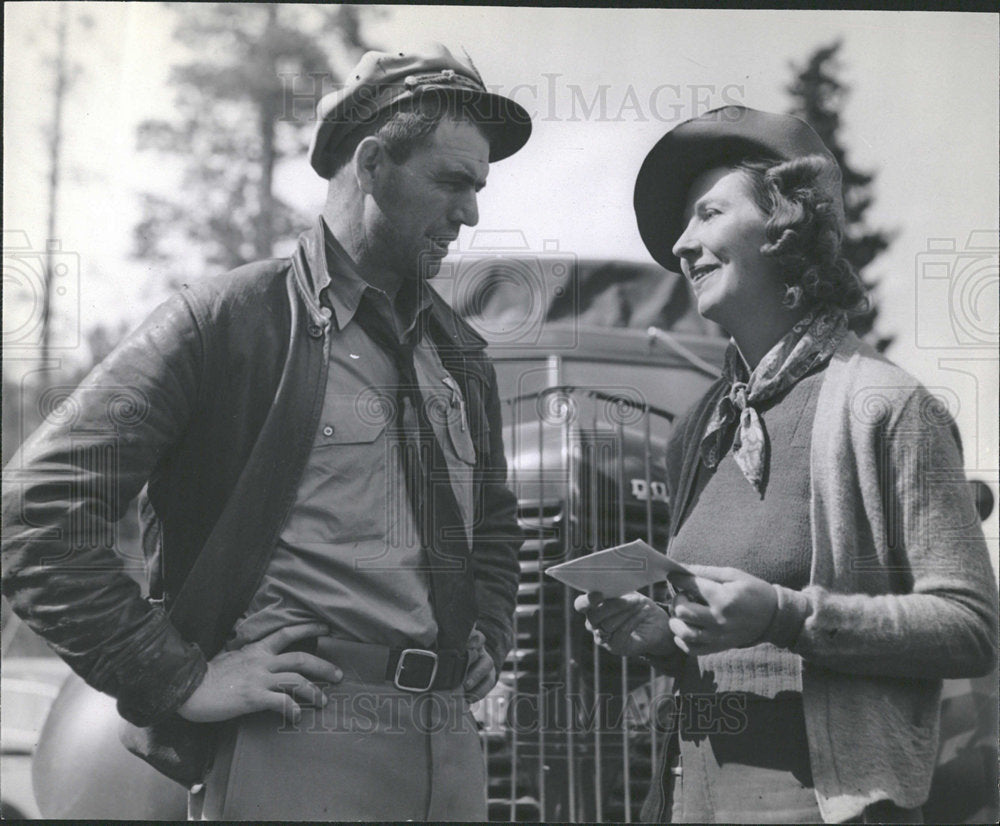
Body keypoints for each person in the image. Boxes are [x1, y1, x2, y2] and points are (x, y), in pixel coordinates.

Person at [2, 43, 529, 820]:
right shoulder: (229, 321)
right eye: (453, 182)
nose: (472, 212)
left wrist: (485, 626)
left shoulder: (460, 354)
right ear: (374, 163)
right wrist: (176, 678)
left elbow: (493, 521)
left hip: (451, 745)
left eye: (478, 188)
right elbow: (34, 511)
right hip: (297, 735)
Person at [576, 106, 997, 824]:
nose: (682, 245)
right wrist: (660, 636)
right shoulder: (702, 428)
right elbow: (713, 639)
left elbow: (970, 626)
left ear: (784, 223)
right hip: (692, 804)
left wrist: (786, 614)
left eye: (707, 214)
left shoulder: (887, 405)